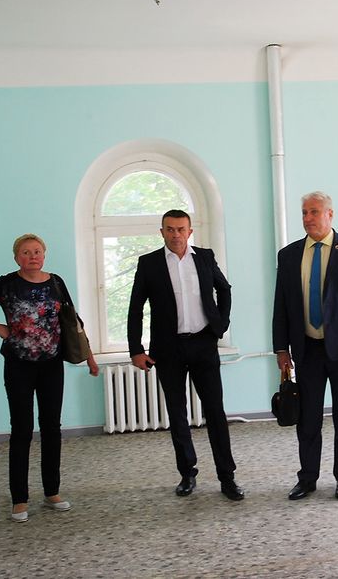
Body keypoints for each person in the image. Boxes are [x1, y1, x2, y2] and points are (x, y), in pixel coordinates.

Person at [0, 233, 99, 523]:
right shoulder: (7, 284)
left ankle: (52, 491)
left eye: (37, 251)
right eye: (26, 252)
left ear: (44, 255)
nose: (32, 256)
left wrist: (90, 357)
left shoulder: (56, 282)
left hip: (51, 365)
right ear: (16, 257)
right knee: (21, 430)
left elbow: (73, 322)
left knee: (52, 428)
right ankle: (19, 499)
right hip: (18, 365)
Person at [127, 209, 243, 501]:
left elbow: (224, 289)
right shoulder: (149, 263)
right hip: (168, 350)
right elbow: (135, 308)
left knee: (215, 411)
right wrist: (136, 349)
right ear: (162, 232)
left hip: (203, 344)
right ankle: (187, 474)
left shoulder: (204, 257)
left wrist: (221, 324)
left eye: (181, 229)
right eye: (170, 229)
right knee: (177, 413)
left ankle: (227, 477)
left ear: (190, 232)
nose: (176, 234)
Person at [272, 191, 338, 500]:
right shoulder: (289, 255)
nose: (308, 218)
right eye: (304, 212)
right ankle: (307, 478)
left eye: (314, 212)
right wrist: (281, 348)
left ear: (330, 214)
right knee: (308, 419)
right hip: (307, 349)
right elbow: (281, 305)